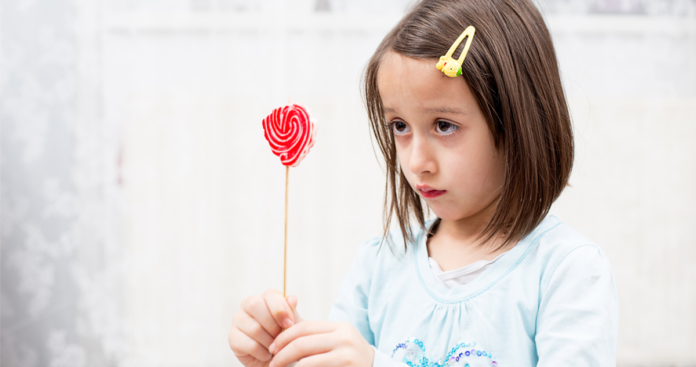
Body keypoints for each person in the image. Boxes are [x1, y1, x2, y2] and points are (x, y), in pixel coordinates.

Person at [228, 0, 619, 366]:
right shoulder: (379, 266)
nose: (417, 162)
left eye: (444, 126)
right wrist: (288, 347)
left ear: (517, 123)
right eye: (399, 126)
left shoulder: (567, 272)